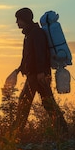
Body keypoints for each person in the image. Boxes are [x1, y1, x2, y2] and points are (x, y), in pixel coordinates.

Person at [9, 7, 68, 136]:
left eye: (18, 19)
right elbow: (29, 55)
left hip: (37, 75)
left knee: (24, 102)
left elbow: (40, 53)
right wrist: (20, 68)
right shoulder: (30, 33)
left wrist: (41, 72)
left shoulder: (36, 33)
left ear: (24, 19)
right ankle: (63, 131)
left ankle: (15, 134)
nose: (16, 22)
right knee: (48, 103)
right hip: (36, 74)